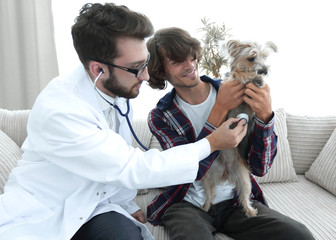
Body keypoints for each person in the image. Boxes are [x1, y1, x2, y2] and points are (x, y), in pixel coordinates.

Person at [0, 4, 249, 240]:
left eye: (145, 63)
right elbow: (130, 167)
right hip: (46, 210)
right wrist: (210, 144)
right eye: (136, 68)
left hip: (95, 206)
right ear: (99, 69)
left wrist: (124, 204)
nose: (147, 75)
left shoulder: (113, 90)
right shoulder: (61, 110)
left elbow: (114, 157)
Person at [146, 27, 315, 240]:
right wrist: (219, 109)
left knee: (299, 235)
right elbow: (188, 169)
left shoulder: (239, 91)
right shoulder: (161, 116)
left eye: (191, 57)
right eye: (177, 61)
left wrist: (265, 117)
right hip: (187, 204)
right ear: (161, 71)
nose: (189, 65)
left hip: (236, 202)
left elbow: (260, 168)